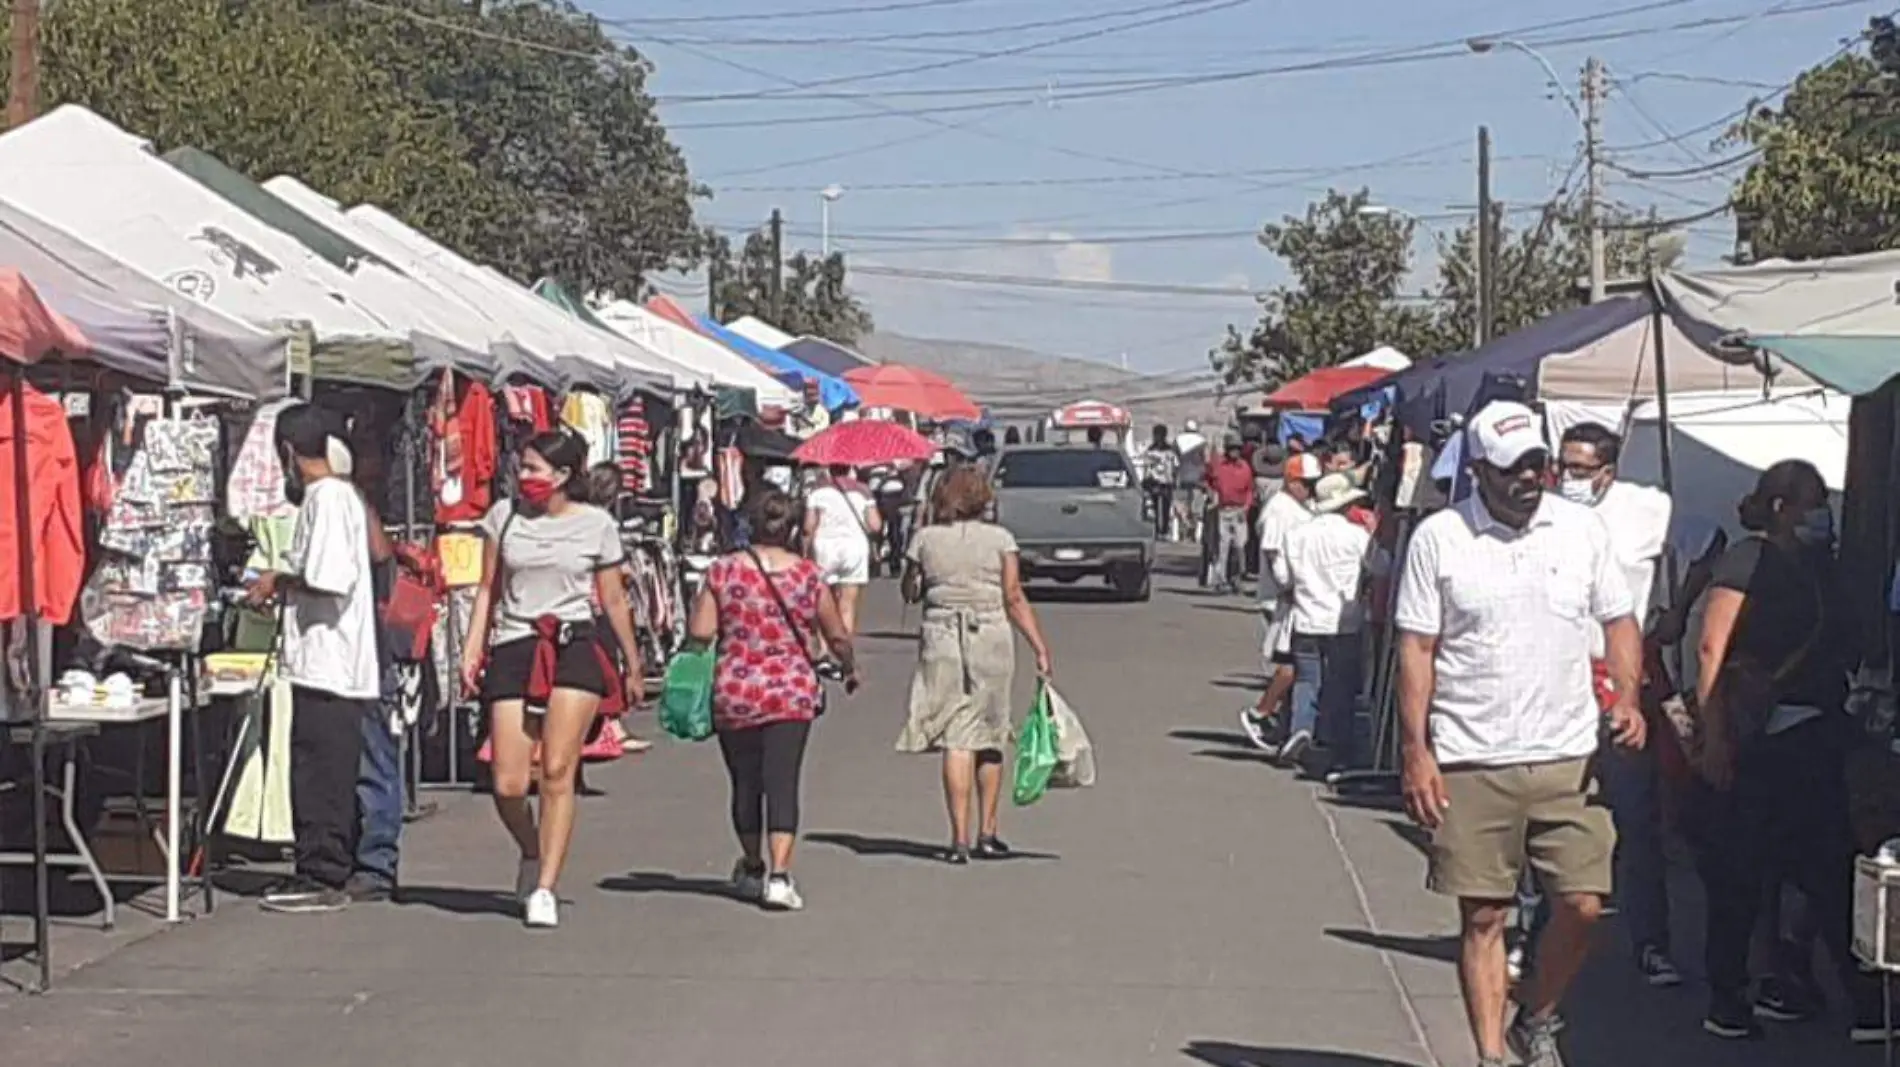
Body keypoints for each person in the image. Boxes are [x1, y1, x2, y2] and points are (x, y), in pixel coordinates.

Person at [1395, 400, 1646, 1067]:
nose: (1531, 476)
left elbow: (1620, 621)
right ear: (1478, 470)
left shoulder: (1581, 530)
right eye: (1513, 467)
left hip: (1568, 755)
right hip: (1472, 754)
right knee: (1484, 915)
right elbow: (1416, 647)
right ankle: (1488, 1055)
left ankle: (1537, 1012)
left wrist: (1628, 697)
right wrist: (1416, 750)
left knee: (1586, 904)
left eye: (1539, 462)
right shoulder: (1441, 539)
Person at [1686, 459, 1881, 1041]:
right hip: (1761, 739)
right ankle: (1731, 995)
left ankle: (1840, 993)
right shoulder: (1749, 558)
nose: (1821, 513)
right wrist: (1714, 733)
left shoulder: (1821, 567)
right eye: (1811, 501)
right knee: (1745, 874)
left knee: (1825, 870)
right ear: (1780, 507)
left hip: (1812, 734)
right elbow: (1711, 648)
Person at [461, 431, 644, 929]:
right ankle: (529, 848)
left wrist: (631, 659)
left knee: (559, 769)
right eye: (523, 467)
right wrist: (472, 647)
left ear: (563, 476)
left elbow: (612, 599)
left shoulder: (597, 526)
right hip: (516, 641)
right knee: (508, 781)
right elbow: (487, 588)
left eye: (535, 469)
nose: (525, 478)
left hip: (576, 643)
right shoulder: (504, 517)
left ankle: (545, 885)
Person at [689, 489, 859, 912]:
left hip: (736, 690)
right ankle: (780, 877)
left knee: (745, 782)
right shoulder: (808, 576)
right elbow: (836, 634)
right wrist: (850, 665)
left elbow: (701, 631)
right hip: (790, 693)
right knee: (783, 781)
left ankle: (751, 866)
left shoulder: (722, 572)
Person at [247, 404, 381, 915]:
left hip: (330, 663)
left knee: (319, 771)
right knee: (323, 768)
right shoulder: (339, 498)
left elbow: (328, 577)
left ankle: (321, 870)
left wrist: (277, 581)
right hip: (329, 661)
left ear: (288, 451)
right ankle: (324, 863)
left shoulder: (327, 499)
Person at [899, 466, 1054, 863]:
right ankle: (989, 830)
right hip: (990, 637)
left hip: (941, 637)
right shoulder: (1001, 539)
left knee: (955, 736)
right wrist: (1038, 645)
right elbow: (1013, 595)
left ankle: (958, 838)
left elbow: (910, 591)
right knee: (990, 731)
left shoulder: (925, 539)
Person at [1276, 472, 1385, 773]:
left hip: (1306, 618)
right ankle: (1334, 741)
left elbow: (1283, 578)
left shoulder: (1296, 535)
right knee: (1341, 684)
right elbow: (1382, 566)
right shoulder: (1356, 536)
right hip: (1343, 621)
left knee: (1307, 680)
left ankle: (1301, 729)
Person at [345, 427, 403, 904]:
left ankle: (377, 861)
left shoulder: (351, 502)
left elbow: (382, 561)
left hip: (364, 652)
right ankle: (366, 858)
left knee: (373, 755)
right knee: (360, 756)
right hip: (348, 654)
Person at [1240, 453, 1318, 751]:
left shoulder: (1299, 507)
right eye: (1305, 484)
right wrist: (1286, 584)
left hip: (1296, 595)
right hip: (1282, 597)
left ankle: (1283, 724)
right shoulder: (1279, 509)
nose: (1309, 490)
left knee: (1297, 663)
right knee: (1290, 662)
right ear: (1291, 481)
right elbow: (1273, 551)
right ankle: (1260, 713)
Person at [804, 464, 882, 637]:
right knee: (848, 603)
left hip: (825, 547)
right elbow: (875, 525)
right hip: (854, 546)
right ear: (849, 469)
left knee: (824, 601)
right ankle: (845, 646)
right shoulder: (863, 490)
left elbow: (808, 527)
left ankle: (825, 649)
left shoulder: (817, 491)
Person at [1203, 435, 1256, 595]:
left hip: (1239, 511)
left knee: (1240, 546)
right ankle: (1220, 581)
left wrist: (1246, 508)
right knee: (1222, 547)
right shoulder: (1219, 466)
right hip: (1222, 510)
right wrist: (1211, 493)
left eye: (1238, 449)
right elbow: (1207, 481)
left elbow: (1249, 490)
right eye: (1232, 449)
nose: (1235, 452)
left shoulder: (1245, 468)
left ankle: (1237, 578)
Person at [1141, 424, 1179, 540]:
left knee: (1166, 507)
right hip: (1154, 481)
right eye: (1156, 435)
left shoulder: (1170, 450)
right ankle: (1156, 530)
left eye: (1160, 435)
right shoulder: (1150, 450)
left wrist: (1175, 478)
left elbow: (1175, 465)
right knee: (1155, 506)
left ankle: (1165, 530)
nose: (1158, 437)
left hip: (1167, 481)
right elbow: (1146, 466)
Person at [1175, 419, 1209, 545]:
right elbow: (1205, 459)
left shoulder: (1178, 440)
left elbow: (1175, 460)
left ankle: (1183, 533)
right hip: (1198, 478)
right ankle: (1194, 533)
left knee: (1183, 506)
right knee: (1196, 507)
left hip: (1182, 476)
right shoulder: (1202, 441)